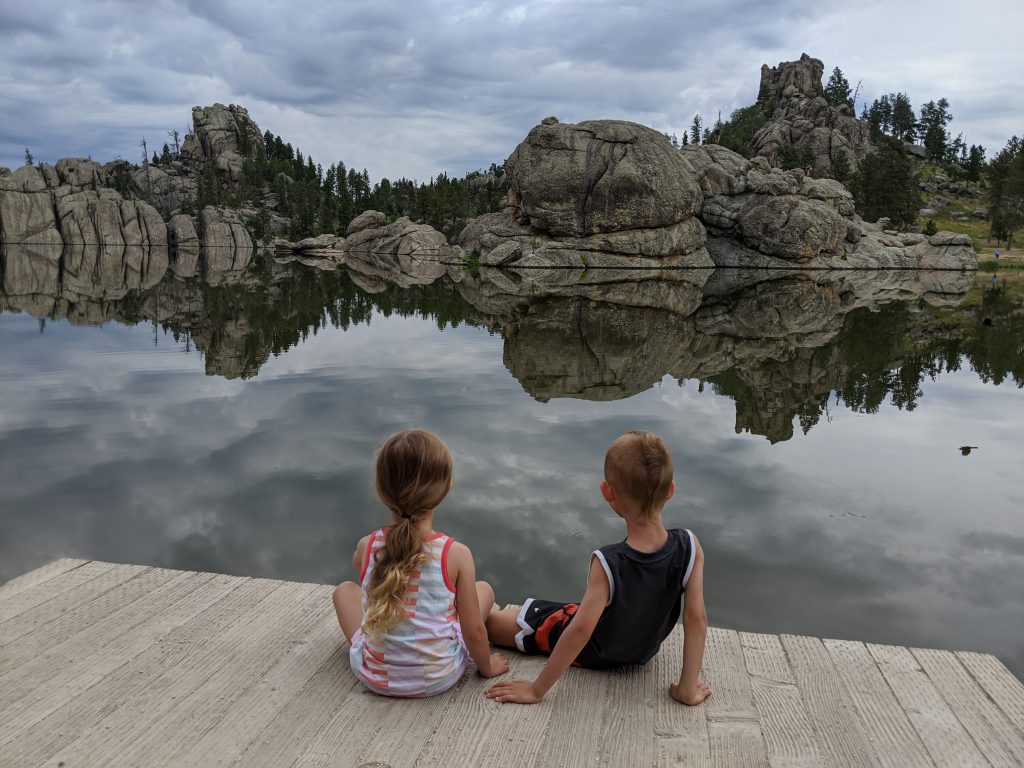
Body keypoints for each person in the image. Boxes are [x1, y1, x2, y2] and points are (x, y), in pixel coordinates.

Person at [485, 429, 711, 706]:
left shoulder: (608, 562)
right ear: (671, 490)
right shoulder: (689, 546)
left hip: (593, 651)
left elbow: (579, 631)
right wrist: (687, 689)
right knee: (570, 608)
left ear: (607, 492)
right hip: (639, 652)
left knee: (490, 622)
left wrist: (536, 689)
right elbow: (696, 619)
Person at [332, 429, 508, 697]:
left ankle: (382, 654)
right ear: (447, 487)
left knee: (344, 591)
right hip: (438, 676)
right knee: (484, 589)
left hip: (375, 677)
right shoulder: (456, 554)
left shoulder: (367, 546)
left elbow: (364, 576)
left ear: (382, 491)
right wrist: (487, 667)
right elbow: (473, 630)